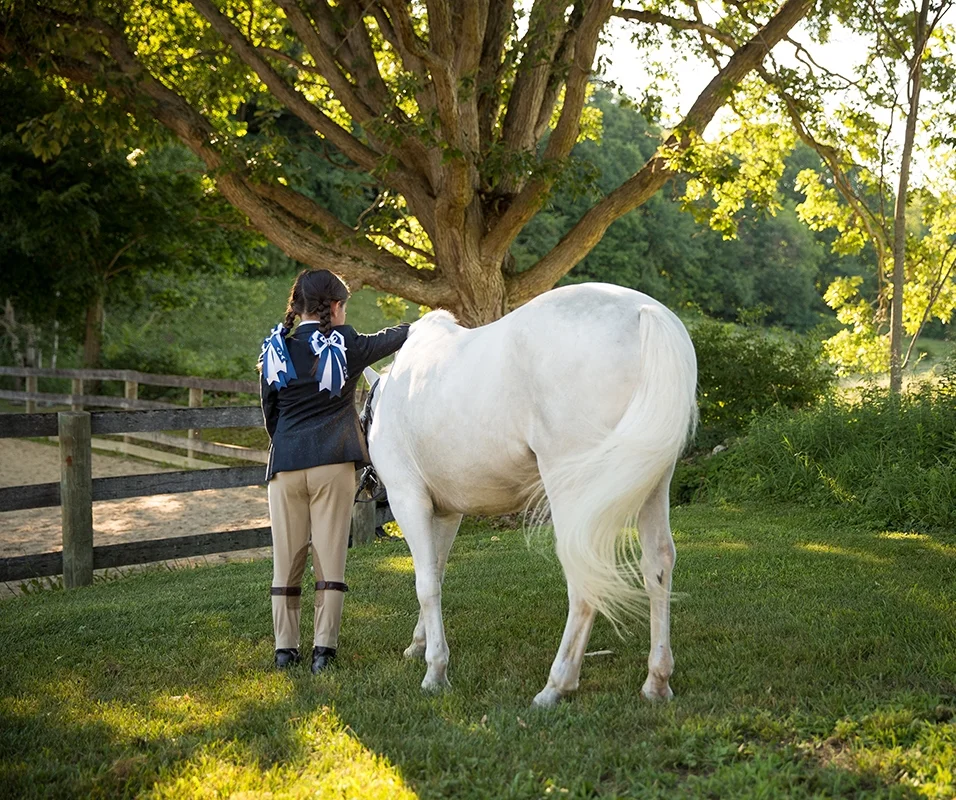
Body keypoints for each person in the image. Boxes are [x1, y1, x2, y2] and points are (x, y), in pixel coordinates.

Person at [259, 269, 409, 674]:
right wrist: (428, 325)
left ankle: (284, 651)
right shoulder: (348, 344)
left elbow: (270, 414)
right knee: (330, 559)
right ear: (335, 306)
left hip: (285, 466)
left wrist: (292, 444)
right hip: (333, 463)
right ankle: (323, 652)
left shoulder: (276, 347)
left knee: (286, 559)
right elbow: (395, 338)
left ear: (297, 307)